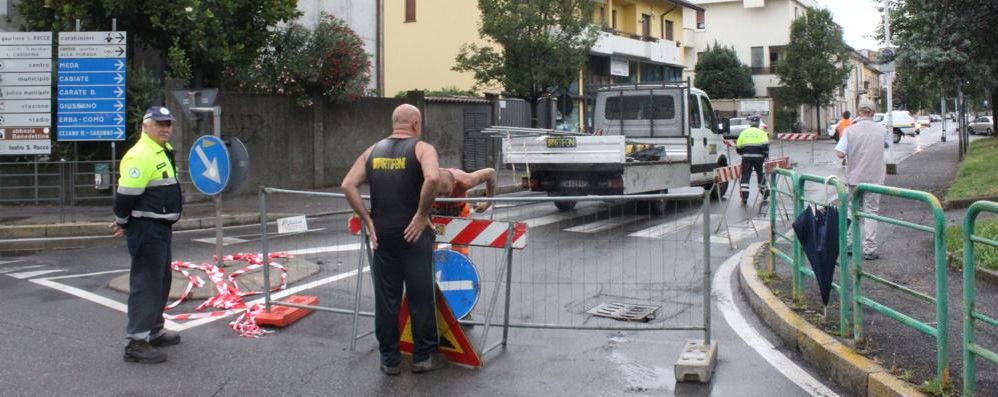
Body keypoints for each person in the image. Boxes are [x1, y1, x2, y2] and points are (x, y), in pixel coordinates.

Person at [341, 104, 447, 375]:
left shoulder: (372, 152)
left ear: (393, 123)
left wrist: (368, 220)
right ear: (415, 124)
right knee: (420, 296)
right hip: (414, 235)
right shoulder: (422, 149)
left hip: (383, 236)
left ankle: (389, 359)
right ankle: (422, 357)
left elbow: (347, 184)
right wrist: (422, 214)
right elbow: (433, 177)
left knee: (386, 300)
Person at [111, 106, 183, 364]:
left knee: (161, 280)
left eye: (168, 124)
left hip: (160, 228)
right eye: (159, 124)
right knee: (146, 284)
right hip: (146, 229)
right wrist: (123, 221)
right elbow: (125, 197)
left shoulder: (163, 151)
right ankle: (136, 343)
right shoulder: (140, 155)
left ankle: (154, 330)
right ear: (145, 126)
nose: (165, 128)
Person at [835, 99, 891, 260]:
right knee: (872, 212)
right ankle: (870, 248)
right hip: (875, 178)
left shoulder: (850, 131)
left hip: (855, 178)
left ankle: (850, 244)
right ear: (873, 113)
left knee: (854, 211)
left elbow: (839, 153)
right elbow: (887, 145)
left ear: (858, 111)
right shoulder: (881, 130)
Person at [433, 167, 497, 256]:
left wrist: (489, 201)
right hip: (433, 212)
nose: (443, 198)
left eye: (447, 193)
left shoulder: (466, 181)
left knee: (460, 249)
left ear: (454, 184)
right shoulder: (424, 179)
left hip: (459, 211)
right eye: (439, 193)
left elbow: (491, 173)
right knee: (429, 246)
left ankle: (459, 267)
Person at [735, 115, 770, 205]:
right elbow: (765, 146)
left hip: (746, 158)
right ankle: (765, 192)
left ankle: (744, 196)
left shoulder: (744, 132)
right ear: (758, 123)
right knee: (761, 175)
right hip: (759, 158)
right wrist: (766, 155)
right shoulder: (762, 133)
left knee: (745, 176)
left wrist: (741, 152)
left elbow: (738, 146)